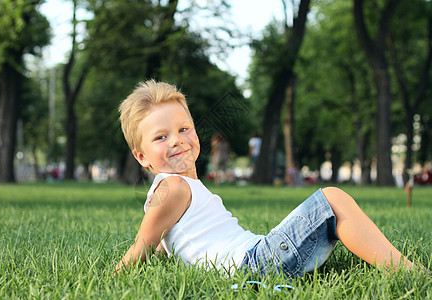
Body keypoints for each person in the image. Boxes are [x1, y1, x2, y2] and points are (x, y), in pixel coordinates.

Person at [115, 80, 423, 278]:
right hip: (255, 264)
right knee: (333, 199)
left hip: (256, 257)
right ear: (141, 156)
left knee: (326, 215)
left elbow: (164, 242)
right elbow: (142, 246)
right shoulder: (174, 187)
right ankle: (407, 271)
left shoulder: (179, 189)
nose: (177, 141)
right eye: (160, 136)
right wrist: (113, 278)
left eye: (184, 129)